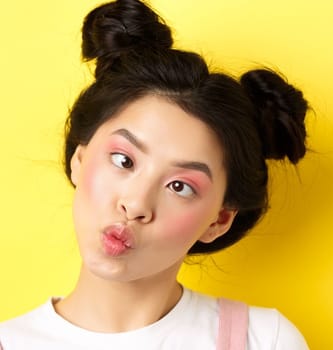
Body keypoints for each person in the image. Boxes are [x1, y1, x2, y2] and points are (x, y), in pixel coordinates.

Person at [0, 0, 310, 349]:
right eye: (123, 161)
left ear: (219, 220)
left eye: (180, 186)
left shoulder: (263, 340)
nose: (135, 204)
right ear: (79, 158)